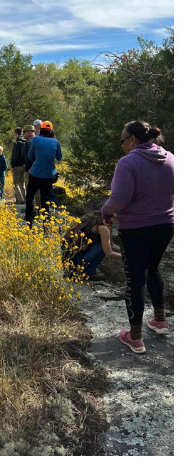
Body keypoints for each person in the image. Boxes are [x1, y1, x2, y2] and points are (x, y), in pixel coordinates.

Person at [102, 121, 174, 354]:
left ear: (132, 139)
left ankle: (135, 337)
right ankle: (160, 321)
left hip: (135, 228)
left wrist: (106, 213)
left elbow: (120, 197)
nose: (122, 145)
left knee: (135, 278)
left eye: (123, 140)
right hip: (166, 225)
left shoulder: (128, 162)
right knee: (153, 268)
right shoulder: (171, 158)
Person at [66, 202, 120, 282]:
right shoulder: (103, 228)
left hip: (69, 260)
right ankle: (88, 272)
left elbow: (111, 245)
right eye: (116, 217)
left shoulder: (94, 218)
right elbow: (109, 253)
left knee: (103, 244)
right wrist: (128, 256)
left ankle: (83, 271)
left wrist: (125, 248)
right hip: (78, 260)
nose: (117, 220)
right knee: (103, 246)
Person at [24, 121, 62, 224]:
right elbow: (59, 157)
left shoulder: (35, 140)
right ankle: (46, 225)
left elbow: (30, 156)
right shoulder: (56, 142)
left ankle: (29, 222)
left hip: (35, 173)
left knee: (29, 197)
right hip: (48, 175)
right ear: (51, 131)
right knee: (45, 200)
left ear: (41, 130)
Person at [10, 126, 32, 204]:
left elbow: (15, 156)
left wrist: (13, 165)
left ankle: (20, 200)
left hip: (17, 166)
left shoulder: (17, 143)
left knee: (16, 183)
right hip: (25, 165)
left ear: (16, 134)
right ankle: (25, 199)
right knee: (22, 184)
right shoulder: (26, 141)